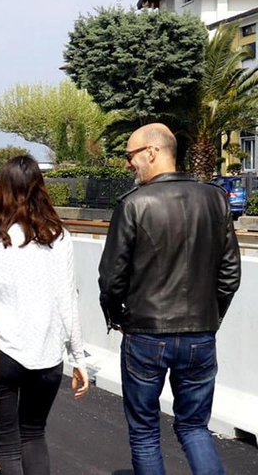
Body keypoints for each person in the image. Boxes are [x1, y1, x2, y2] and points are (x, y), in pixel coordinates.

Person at [99, 123, 242, 475]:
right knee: (194, 427)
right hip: (200, 336)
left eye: (130, 155)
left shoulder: (133, 204)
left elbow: (112, 278)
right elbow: (230, 274)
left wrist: (117, 316)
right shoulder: (214, 199)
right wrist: (211, 316)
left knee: (145, 432)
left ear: (152, 152)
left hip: (145, 334)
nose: (128, 164)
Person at [0, 154, 90, 475]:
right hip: (48, 357)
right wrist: (79, 359)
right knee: (34, 434)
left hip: (4, 355)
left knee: (7, 442)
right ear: (40, 190)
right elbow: (67, 302)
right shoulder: (59, 237)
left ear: (1, 189)